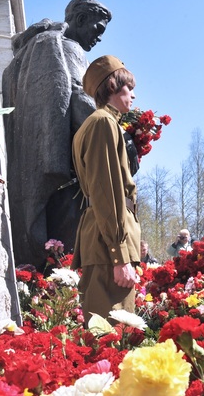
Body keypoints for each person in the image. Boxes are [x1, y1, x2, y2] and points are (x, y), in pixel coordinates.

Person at [3, 0, 112, 265]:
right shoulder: (68, 47)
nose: (98, 39)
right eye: (97, 29)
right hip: (65, 176)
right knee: (64, 254)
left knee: (48, 247)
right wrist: (118, 131)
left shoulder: (30, 49)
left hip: (27, 168)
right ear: (81, 19)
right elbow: (78, 95)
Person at [71, 55, 141, 324]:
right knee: (112, 334)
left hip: (104, 240)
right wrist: (119, 256)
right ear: (112, 86)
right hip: (108, 244)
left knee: (104, 331)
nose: (133, 96)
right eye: (129, 88)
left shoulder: (96, 123)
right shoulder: (103, 123)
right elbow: (107, 190)